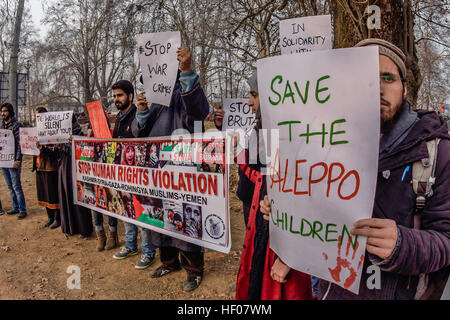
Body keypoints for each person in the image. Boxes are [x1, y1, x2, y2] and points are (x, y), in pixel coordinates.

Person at [260, 39, 450, 300]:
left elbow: (446, 240)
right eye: (365, 78)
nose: (377, 87)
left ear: (404, 88)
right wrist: (285, 208)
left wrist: (403, 245)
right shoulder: (321, 141)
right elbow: (315, 212)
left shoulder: (436, 152)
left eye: (388, 78)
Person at [133, 47, 209, 291]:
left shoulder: (181, 92)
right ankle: (169, 262)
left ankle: (194, 270)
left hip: (182, 170)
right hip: (157, 172)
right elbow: (139, 133)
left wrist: (187, 72)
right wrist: (142, 111)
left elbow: (198, 114)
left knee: (186, 217)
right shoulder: (153, 101)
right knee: (160, 218)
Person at [234, 72, 312, 300]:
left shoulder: (293, 134)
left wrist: (290, 255)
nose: (249, 102)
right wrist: (239, 153)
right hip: (260, 227)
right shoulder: (264, 127)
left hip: (281, 240)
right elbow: (258, 175)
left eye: (254, 95)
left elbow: (307, 194)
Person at [109, 80, 157, 271]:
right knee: (126, 209)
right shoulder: (119, 118)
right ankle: (130, 246)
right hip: (122, 173)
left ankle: (148, 251)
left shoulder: (138, 115)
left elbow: (142, 136)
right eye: (114, 96)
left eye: (119, 95)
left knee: (142, 211)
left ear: (130, 96)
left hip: (140, 174)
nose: (116, 99)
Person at [57, 113, 93, 238]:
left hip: (75, 168)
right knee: (66, 195)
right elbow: (57, 152)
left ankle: (84, 229)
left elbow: (84, 149)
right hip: (64, 167)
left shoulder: (77, 131)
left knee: (78, 196)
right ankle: (70, 226)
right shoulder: (59, 133)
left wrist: (74, 142)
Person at [32, 107, 60, 228]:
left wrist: (42, 148)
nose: (35, 119)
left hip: (50, 167)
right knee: (43, 193)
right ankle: (50, 217)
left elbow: (54, 154)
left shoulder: (53, 132)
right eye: (35, 116)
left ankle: (58, 218)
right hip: (40, 166)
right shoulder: (34, 131)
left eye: (38, 116)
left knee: (53, 194)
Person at [1, 102, 27, 219]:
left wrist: (17, 160)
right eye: (1, 111)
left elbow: (20, 144)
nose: (3, 113)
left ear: (10, 112)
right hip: (4, 161)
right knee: (10, 186)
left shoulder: (17, 125)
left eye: (5, 111)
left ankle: (22, 209)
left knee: (16, 186)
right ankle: (15, 207)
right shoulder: (2, 126)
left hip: (13, 161)